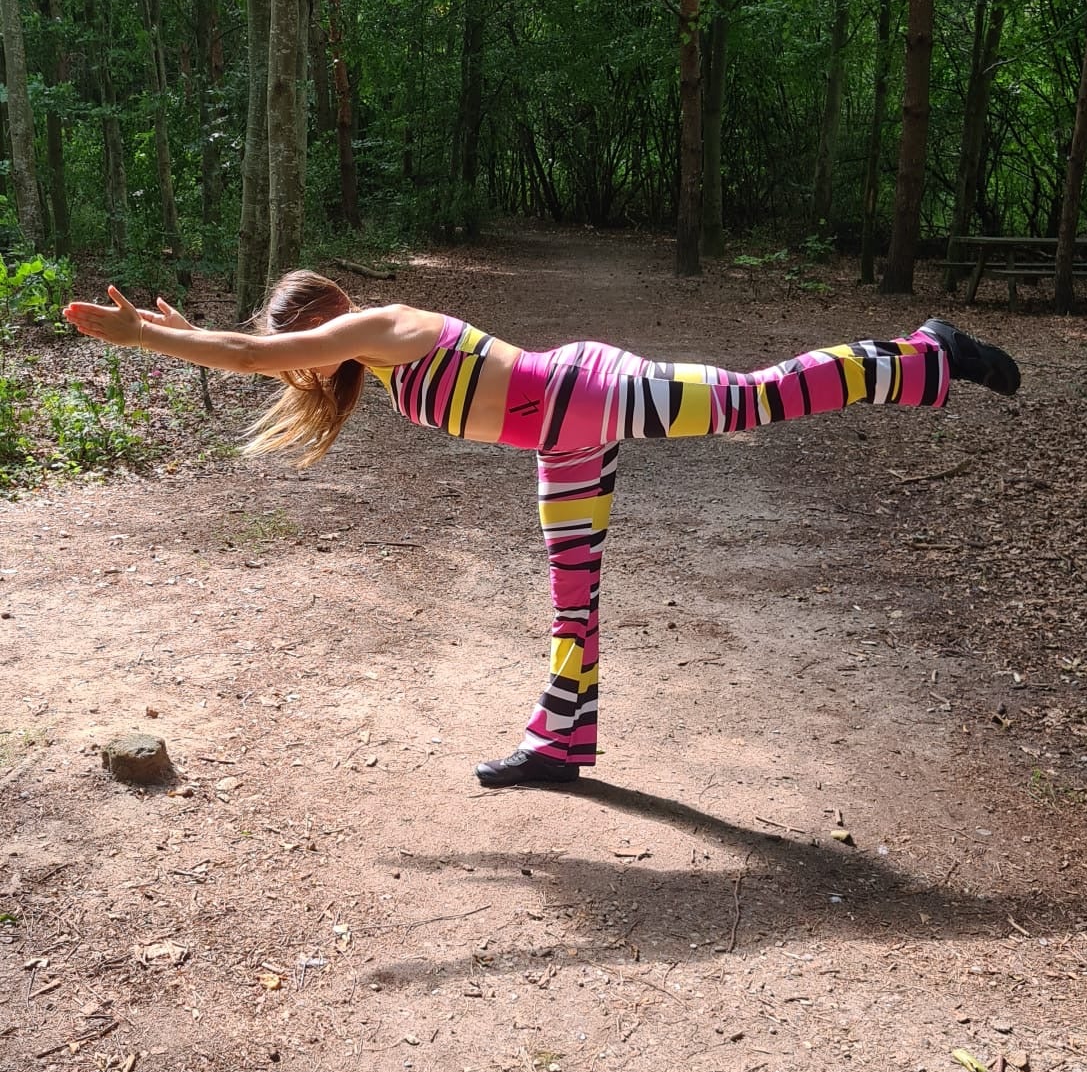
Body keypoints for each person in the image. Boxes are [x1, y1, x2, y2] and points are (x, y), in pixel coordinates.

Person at [64, 274, 1020, 788]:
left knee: (751, 399)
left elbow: (256, 352)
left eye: (303, 345)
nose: (306, 369)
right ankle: (562, 743)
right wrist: (195, 334)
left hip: (589, 389)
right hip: (559, 438)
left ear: (324, 316)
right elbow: (272, 361)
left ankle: (922, 355)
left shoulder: (385, 323)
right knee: (573, 594)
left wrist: (153, 340)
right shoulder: (367, 362)